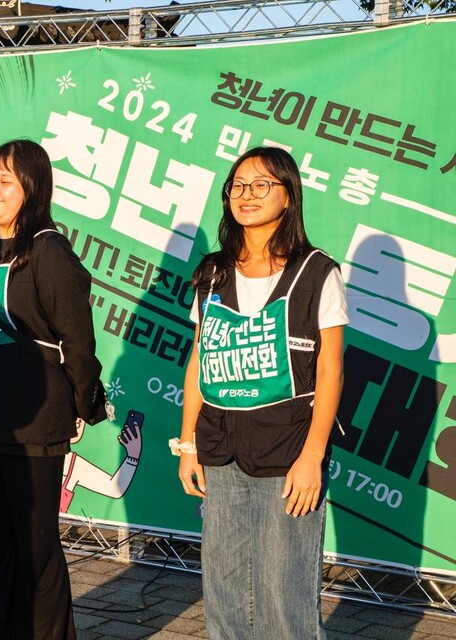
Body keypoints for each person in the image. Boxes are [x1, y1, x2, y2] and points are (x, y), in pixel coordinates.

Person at [0, 139, 107, 640]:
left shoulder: (49, 253)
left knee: (36, 550)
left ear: (32, 188)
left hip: (33, 420)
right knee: (0, 544)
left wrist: (83, 403)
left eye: (5, 180)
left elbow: (77, 340)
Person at [174, 146, 348, 639]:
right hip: (220, 448)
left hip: (289, 452)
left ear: (289, 196)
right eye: (238, 185)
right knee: (225, 592)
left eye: (261, 185)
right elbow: (198, 362)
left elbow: (331, 371)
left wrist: (313, 456)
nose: (246, 195)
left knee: (283, 597)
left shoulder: (317, 272)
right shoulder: (211, 272)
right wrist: (188, 444)